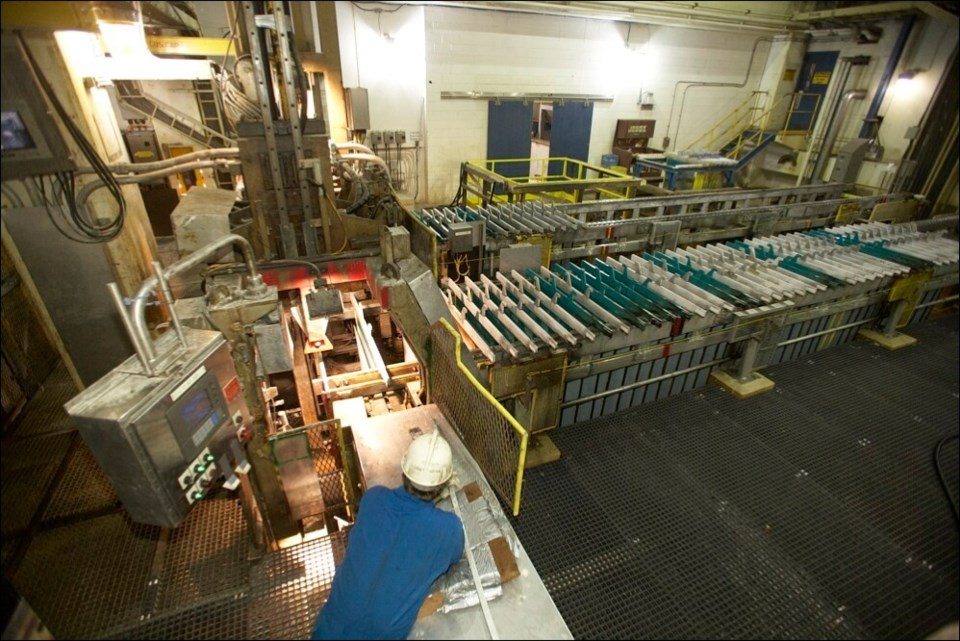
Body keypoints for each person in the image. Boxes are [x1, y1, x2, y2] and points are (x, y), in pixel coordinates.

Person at [311, 430, 465, 640]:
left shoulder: (373, 498)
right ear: (443, 485)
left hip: (327, 632)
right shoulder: (449, 530)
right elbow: (454, 556)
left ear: (404, 470)